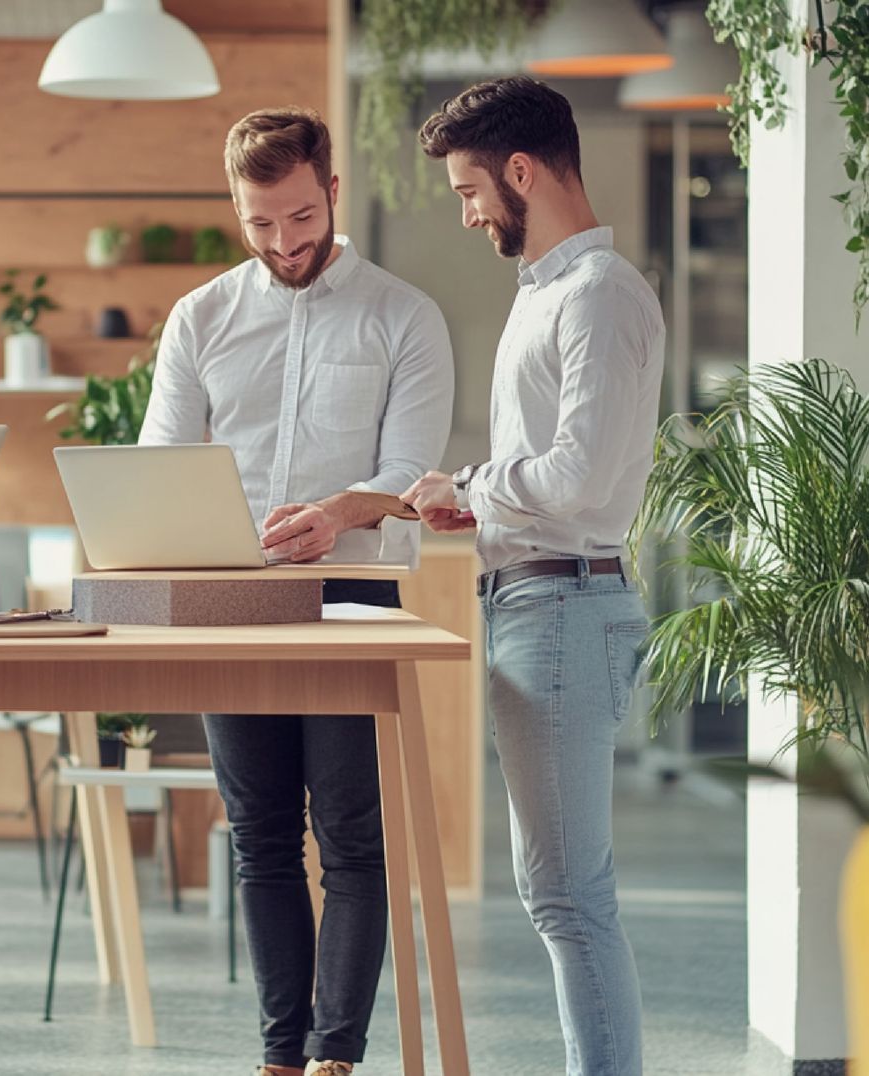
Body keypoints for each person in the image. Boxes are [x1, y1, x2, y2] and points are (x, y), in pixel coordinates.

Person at [139, 107, 455, 1076]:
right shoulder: (202, 315)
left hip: (353, 592)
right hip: (235, 601)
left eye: (299, 217)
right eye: (260, 223)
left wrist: (337, 513)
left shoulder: (403, 314)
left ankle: (337, 1055)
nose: (284, 242)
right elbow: (162, 459)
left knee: (350, 832)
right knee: (262, 833)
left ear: (331, 190)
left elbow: (409, 469)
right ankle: (283, 1054)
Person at [402, 77, 666, 1076]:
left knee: (567, 892)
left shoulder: (598, 297)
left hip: (564, 602)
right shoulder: (554, 294)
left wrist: (468, 486)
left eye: (472, 190)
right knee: (559, 888)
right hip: (537, 600)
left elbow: (578, 477)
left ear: (521, 172)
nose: (470, 213)